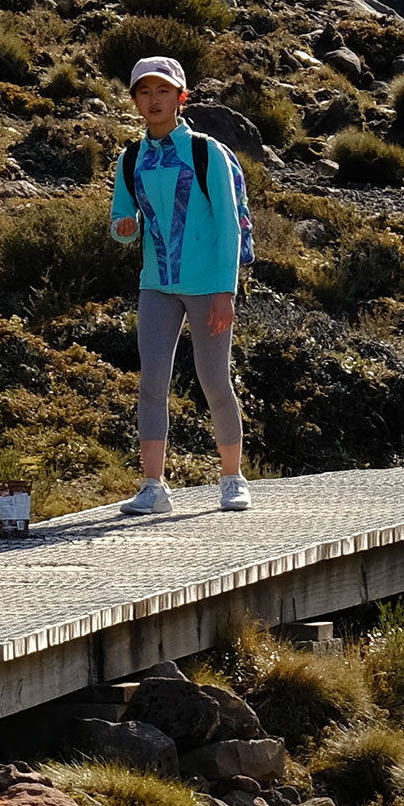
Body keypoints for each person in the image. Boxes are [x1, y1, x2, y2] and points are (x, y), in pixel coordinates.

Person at [108, 56, 254, 514]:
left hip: (209, 287)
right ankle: (153, 487)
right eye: (145, 92)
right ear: (134, 101)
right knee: (151, 381)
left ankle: (232, 478)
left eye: (163, 91)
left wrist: (226, 292)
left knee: (214, 380)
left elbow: (229, 226)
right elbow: (119, 216)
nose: (154, 100)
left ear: (181, 97)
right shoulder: (131, 157)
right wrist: (124, 227)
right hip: (156, 283)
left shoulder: (205, 152)